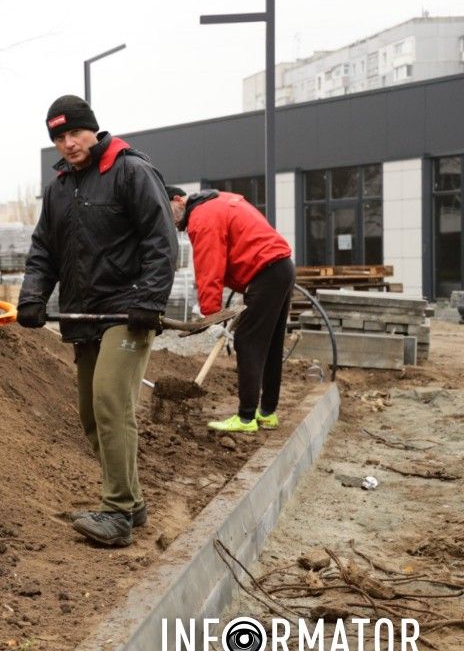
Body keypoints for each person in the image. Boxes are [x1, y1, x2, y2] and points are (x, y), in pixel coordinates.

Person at [18, 95, 177, 548]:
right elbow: (43, 251)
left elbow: (161, 240)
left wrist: (149, 299)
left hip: (128, 312)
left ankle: (118, 512)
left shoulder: (130, 171)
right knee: (91, 414)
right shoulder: (60, 188)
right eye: (59, 137)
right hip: (83, 312)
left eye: (74, 133)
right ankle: (134, 502)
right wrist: (32, 297)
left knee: (110, 401)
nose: (68, 144)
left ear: (93, 129)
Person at [165, 186, 296, 434]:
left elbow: (209, 267)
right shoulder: (217, 201)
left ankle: (246, 418)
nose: (166, 220)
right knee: (270, 343)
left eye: (165, 211)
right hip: (279, 268)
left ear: (178, 200)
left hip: (265, 273)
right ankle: (267, 413)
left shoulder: (201, 217)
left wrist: (211, 315)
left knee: (248, 341)